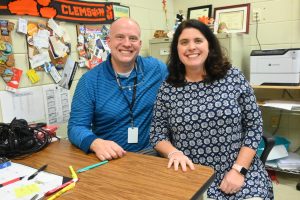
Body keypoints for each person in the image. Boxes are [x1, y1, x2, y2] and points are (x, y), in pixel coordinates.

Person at [150, 19, 273, 200]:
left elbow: (254, 127)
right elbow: (157, 133)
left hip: (240, 170)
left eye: (198, 41)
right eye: (184, 42)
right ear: (177, 49)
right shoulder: (168, 88)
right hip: (191, 173)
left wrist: (238, 170)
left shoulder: (233, 77)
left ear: (210, 45)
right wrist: (173, 152)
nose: (191, 47)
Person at [68, 18, 168, 161]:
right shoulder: (89, 81)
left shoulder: (156, 69)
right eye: (120, 37)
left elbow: (183, 84)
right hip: (113, 158)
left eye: (133, 38)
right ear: (109, 41)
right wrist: (94, 143)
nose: (127, 44)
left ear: (140, 44)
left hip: (152, 155)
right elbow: (76, 127)